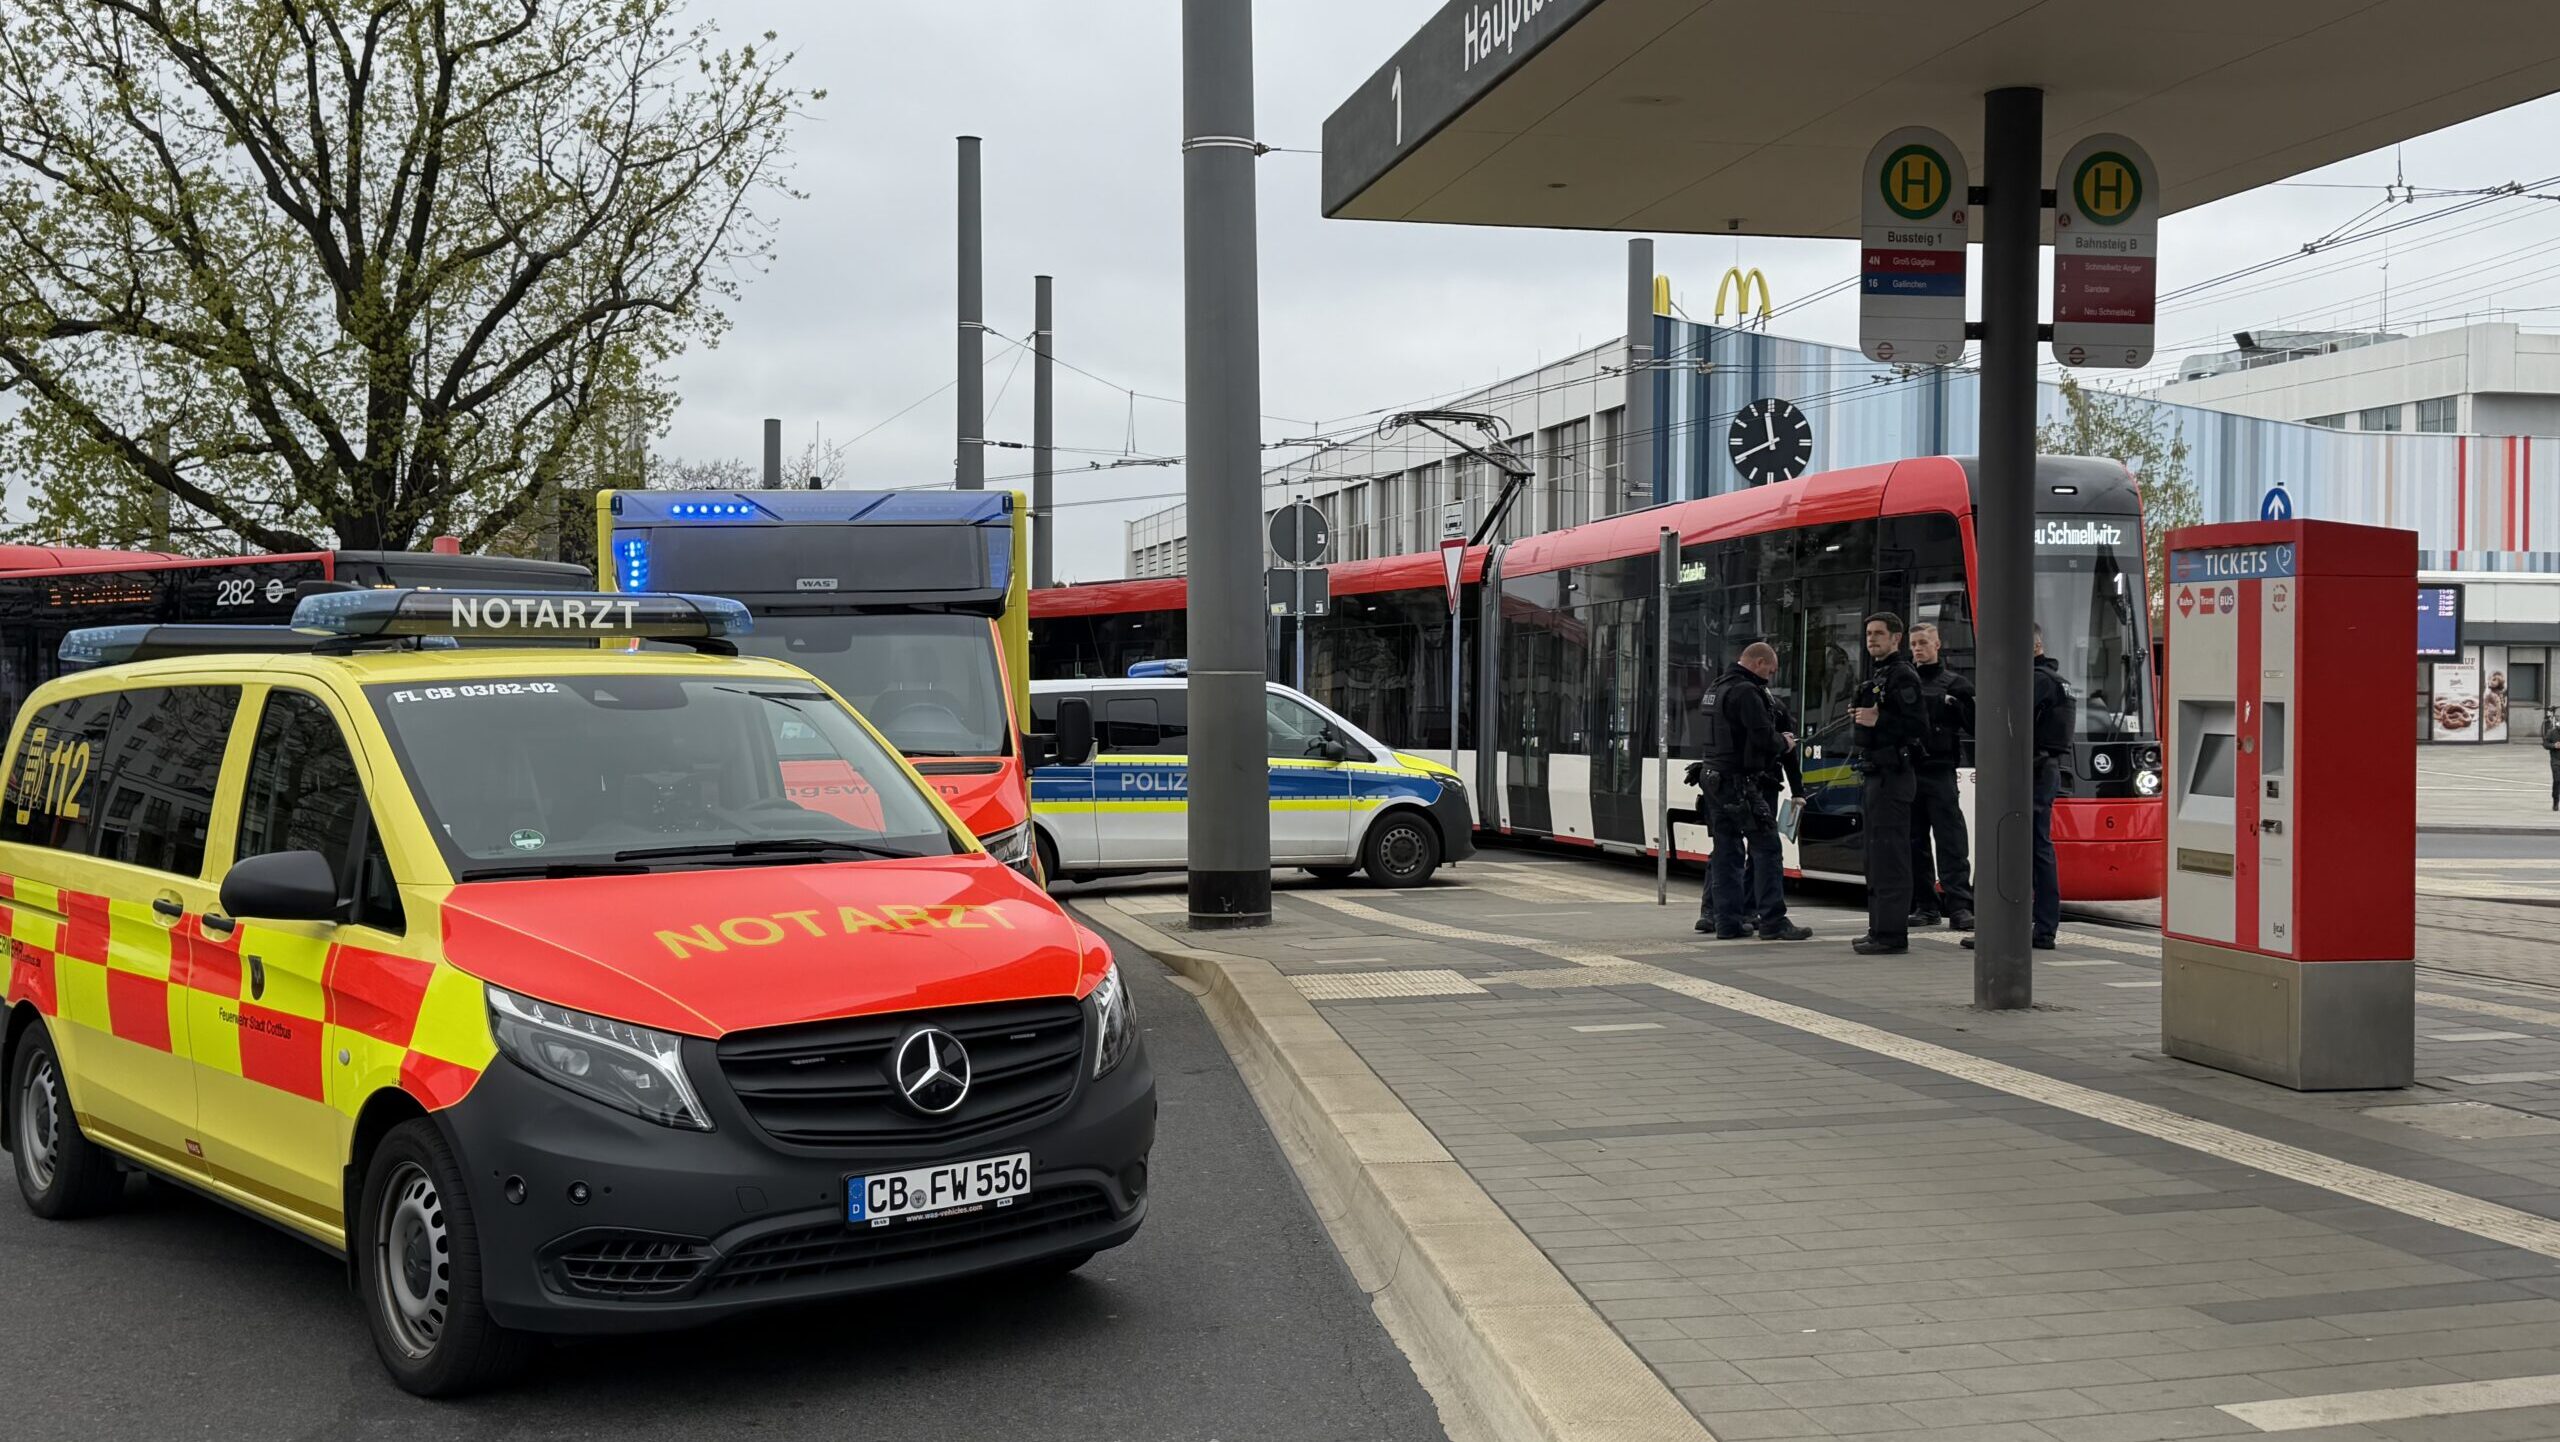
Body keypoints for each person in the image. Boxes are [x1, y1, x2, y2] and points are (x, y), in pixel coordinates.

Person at [1965, 623, 2074, 954]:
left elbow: (2005, 719)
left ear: (2035, 647)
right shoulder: (2059, 682)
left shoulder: (2036, 681)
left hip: (2029, 771)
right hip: (2043, 769)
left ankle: (2022, 928)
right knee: (2037, 847)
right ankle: (2039, 927)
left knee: (2015, 845)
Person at [1694, 642, 1812, 941]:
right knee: (1767, 848)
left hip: (1712, 779)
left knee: (1726, 851)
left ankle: (1727, 922)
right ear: (1759, 663)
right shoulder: (1747, 692)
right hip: (1739, 783)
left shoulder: (1716, 688)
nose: (1770, 678)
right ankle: (1773, 920)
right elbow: (1762, 738)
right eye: (1770, 671)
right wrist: (1783, 742)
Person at [1850, 612, 1926, 955]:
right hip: (1876, 774)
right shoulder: (1880, 674)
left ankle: (1892, 934)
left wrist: (1880, 718)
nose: (1871, 639)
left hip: (1894, 775)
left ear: (1896, 638)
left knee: (1891, 856)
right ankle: (1878, 928)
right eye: (1868, 634)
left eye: (1879, 634)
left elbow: (1917, 724)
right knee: (1875, 856)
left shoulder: (1903, 675)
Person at [1906, 623, 1976, 932]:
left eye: (1923, 643)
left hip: (1940, 770)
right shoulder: (1903, 681)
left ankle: (1959, 905)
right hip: (1910, 771)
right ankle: (1926, 905)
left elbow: (1975, 724)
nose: (1918, 649)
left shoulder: (1957, 685)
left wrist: (1956, 707)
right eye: (1914, 644)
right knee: (1914, 841)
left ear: (1938, 645)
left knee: (1951, 839)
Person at [2544, 706, 2560, 811]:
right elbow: (2545, 743)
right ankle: (2555, 801)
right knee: (2557, 780)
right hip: (2556, 760)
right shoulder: (2552, 732)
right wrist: (2554, 745)